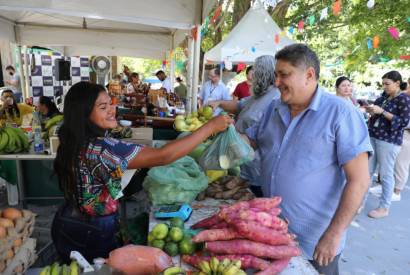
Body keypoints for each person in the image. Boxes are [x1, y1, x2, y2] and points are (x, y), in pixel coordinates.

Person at [52, 81, 232, 262]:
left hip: (69, 219)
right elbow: (164, 156)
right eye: (103, 107)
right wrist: (209, 127)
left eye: (111, 103)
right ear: (84, 113)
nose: (112, 110)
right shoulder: (104, 149)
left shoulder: (76, 140)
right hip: (91, 230)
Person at [244, 44, 372, 275]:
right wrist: (219, 134)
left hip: (314, 242)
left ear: (309, 75)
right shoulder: (275, 108)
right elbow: (250, 140)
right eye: (276, 75)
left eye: (284, 75)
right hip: (269, 231)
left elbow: (360, 181)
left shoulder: (341, 113)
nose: (276, 82)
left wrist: (334, 234)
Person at [208, 55, 279, 197]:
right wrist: (219, 103)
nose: (251, 75)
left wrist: (231, 131)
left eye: (255, 71)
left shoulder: (275, 99)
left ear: (264, 74)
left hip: (257, 171)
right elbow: (239, 105)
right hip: (242, 165)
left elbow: (265, 138)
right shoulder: (259, 95)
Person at [366, 71, 410, 217]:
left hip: (389, 140)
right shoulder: (384, 96)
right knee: (367, 172)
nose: (384, 86)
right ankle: (359, 202)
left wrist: (382, 111)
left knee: (385, 174)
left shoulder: (403, 99)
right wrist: (371, 110)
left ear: (397, 83)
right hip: (374, 135)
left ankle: (384, 207)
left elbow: (403, 123)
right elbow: (375, 112)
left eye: (387, 84)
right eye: (383, 83)